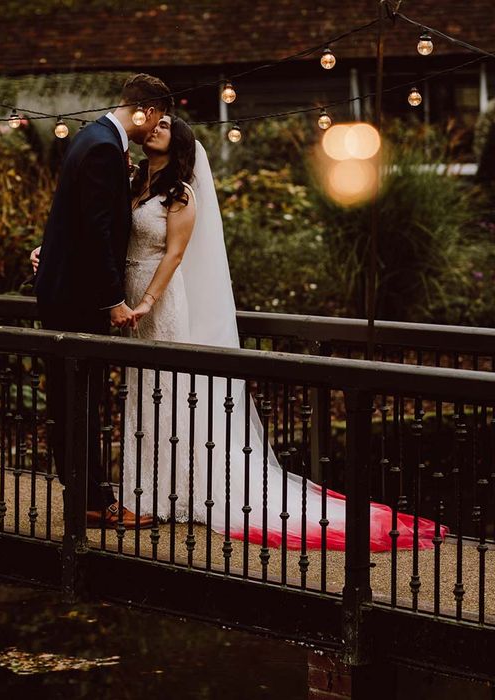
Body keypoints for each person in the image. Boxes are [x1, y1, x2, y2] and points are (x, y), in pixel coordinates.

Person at [118, 115, 446, 552]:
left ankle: (179, 491)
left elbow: (175, 255)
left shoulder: (182, 195)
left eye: (166, 126)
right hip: (133, 299)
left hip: (158, 304)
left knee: (172, 390)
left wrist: (146, 302)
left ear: (179, 144)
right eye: (153, 123)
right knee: (144, 389)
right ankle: (150, 490)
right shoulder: (139, 184)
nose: (156, 127)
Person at [32, 73, 174, 529]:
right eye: (157, 119)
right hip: (77, 300)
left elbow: (74, 218)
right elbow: (96, 230)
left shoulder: (93, 138)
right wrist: (114, 299)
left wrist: (48, 250)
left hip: (66, 291)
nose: (155, 129)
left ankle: (86, 497)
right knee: (79, 400)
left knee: (72, 399)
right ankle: (94, 503)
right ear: (146, 111)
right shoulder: (102, 149)